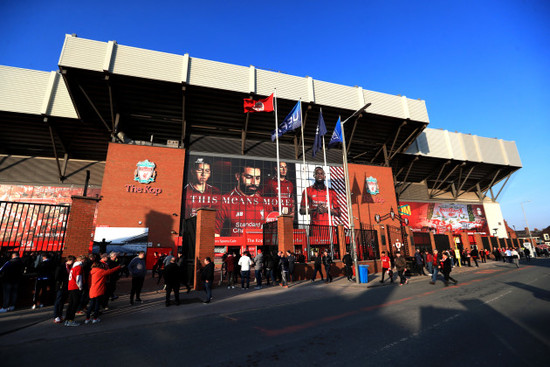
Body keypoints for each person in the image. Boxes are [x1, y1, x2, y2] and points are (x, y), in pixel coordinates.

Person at [215, 162, 272, 236]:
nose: (254, 182)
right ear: (238, 176)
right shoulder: (224, 202)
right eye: (249, 177)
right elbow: (215, 236)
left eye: (257, 178)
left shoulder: (265, 203)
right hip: (233, 247)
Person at [85, 259, 122, 324]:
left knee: (91, 305)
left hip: (92, 290)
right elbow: (111, 271)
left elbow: (89, 282)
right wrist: (119, 267)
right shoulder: (101, 271)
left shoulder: (91, 272)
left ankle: (87, 319)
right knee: (97, 305)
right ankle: (95, 318)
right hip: (99, 290)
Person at [65, 255, 85, 327]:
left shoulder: (73, 267)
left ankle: (67, 319)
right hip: (75, 287)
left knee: (71, 304)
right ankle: (71, 320)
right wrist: (80, 287)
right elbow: (78, 278)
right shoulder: (79, 267)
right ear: (82, 260)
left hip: (71, 287)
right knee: (74, 304)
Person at [53, 255, 74, 324]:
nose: (73, 262)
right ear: (69, 260)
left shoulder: (70, 267)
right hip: (61, 286)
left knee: (62, 301)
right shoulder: (61, 266)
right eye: (72, 261)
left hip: (66, 286)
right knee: (58, 301)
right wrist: (61, 282)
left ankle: (60, 314)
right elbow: (56, 277)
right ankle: (56, 316)